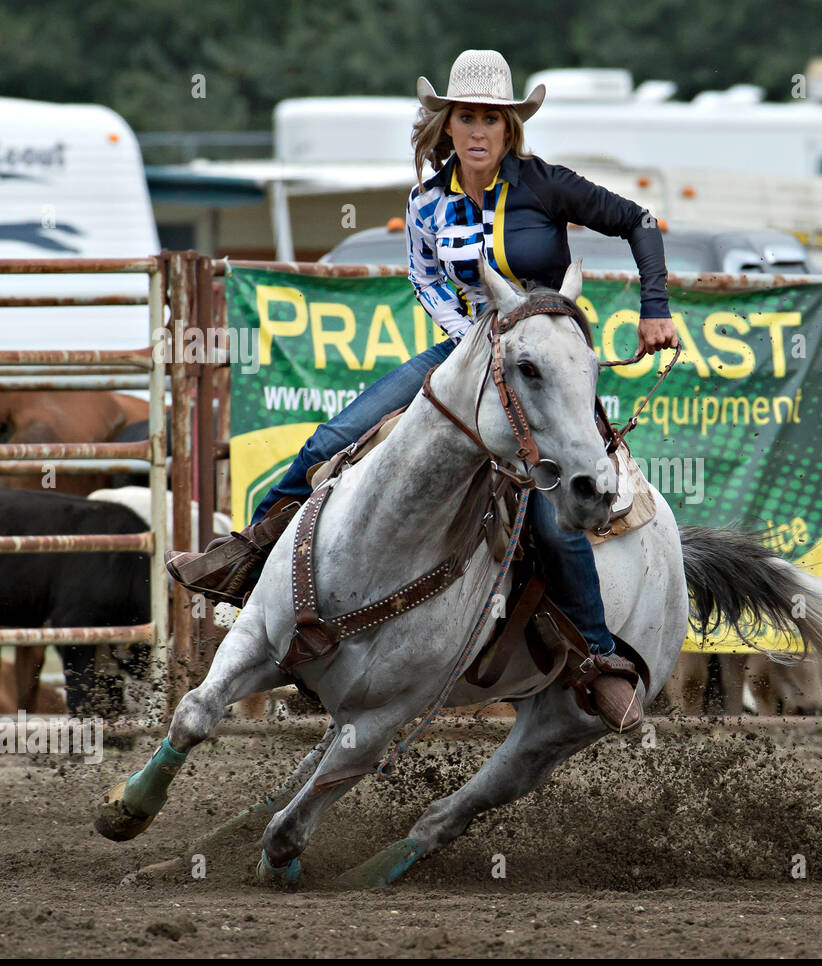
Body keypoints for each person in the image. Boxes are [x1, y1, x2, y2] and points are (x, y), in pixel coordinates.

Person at [167, 49, 679, 733]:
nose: (478, 131)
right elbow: (428, 279)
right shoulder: (427, 202)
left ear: (509, 129)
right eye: (466, 117)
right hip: (465, 356)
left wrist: (655, 306)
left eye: (491, 120)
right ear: (446, 123)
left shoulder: (546, 186)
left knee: (557, 509)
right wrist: (474, 348)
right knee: (333, 439)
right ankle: (252, 554)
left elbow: (640, 222)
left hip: (548, 371)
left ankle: (598, 658)